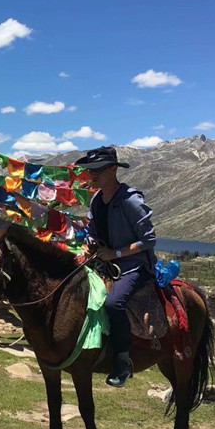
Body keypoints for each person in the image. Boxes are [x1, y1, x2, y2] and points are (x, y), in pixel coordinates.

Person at [77, 146, 157, 388]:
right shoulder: (96, 200)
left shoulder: (130, 200)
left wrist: (116, 253)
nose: (93, 174)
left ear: (114, 169)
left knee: (113, 303)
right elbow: (92, 230)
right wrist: (90, 243)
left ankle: (122, 361)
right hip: (104, 262)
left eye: (99, 169)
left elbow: (149, 240)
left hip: (133, 265)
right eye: (91, 170)